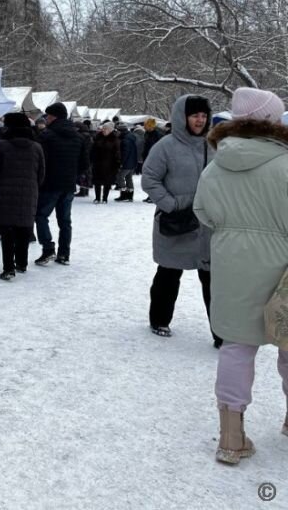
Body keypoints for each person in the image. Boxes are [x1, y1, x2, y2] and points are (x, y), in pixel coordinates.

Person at [193, 87, 288, 465]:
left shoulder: (216, 165)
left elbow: (203, 211)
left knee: (237, 346)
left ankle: (231, 436)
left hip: (233, 264)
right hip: (284, 265)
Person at [141, 95, 220, 345]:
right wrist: (171, 204)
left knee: (213, 280)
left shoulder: (213, 145)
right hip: (176, 222)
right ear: (182, 117)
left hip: (207, 225)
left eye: (204, 115)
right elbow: (149, 179)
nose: (200, 120)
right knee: (168, 273)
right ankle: (159, 320)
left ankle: (221, 333)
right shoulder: (165, 146)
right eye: (195, 115)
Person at [0, 113, 45, 281]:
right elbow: (41, 173)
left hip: (4, 192)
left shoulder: (2, 145)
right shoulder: (36, 147)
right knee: (24, 228)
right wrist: (33, 186)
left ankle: (8, 268)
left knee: (7, 232)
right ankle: (21, 263)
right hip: (29, 191)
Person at [34, 103, 89, 266]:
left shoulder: (46, 136)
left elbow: (40, 161)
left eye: (48, 116)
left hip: (49, 183)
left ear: (54, 117)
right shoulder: (78, 137)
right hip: (68, 184)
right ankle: (64, 253)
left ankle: (48, 249)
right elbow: (85, 164)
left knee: (41, 216)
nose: (46, 119)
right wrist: (72, 174)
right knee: (65, 221)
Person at [89, 121, 121, 203]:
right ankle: (97, 198)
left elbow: (117, 152)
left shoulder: (114, 139)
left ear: (110, 130)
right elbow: (93, 150)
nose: (103, 130)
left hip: (109, 164)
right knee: (97, 182)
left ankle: (105, 198)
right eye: (103, 128)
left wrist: (117, 163)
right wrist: (91, 159)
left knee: (107, 182)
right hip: (98, 163)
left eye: (106, 129)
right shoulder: (98, 137)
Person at [115, 123, 140, 202]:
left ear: (121, 131)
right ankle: (130, 195)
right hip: (132, 161)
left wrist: (121, 162)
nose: (116, 132)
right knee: (129, 178)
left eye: (117, 131)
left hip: (127, 162)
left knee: (120, 177)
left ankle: (124, 194)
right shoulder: (131, 137)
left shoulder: (125, 140)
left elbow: (125, 153)